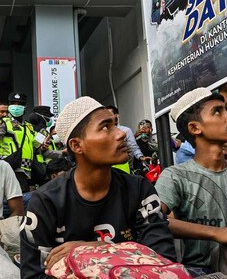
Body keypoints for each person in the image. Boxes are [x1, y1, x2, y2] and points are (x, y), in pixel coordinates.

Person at [20, 97, 176, 279]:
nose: (121, 134)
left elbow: (162, 260)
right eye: (105, 127)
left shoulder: (140, 189)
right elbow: (34, 275)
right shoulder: (46, 201)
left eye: (115, 125)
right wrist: (122, 254)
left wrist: (90, 249)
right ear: (77, 145)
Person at [155, 88, 227, 276]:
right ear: (195, 128)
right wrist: (218, 233)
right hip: (200, 270)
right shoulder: (175, 176)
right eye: (217, 111)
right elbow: (153, 220)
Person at [0, 92, 40, 191]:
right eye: (14, 104)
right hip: (11, 166)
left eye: (20, 104)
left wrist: (42, 145)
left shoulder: (28, 126)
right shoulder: (4, 123)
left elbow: (34, 147)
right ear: (9, 106)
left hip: (26, 169)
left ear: (25, 107)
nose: (16, 107)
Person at [104, 105, 145, 173]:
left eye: (109, 114)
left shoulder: (126, 131)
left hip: (125, 169)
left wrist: (141, 157)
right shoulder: (104, 132)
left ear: (117, 115)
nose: (107, 117)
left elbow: (133, 147)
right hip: (109, 170)